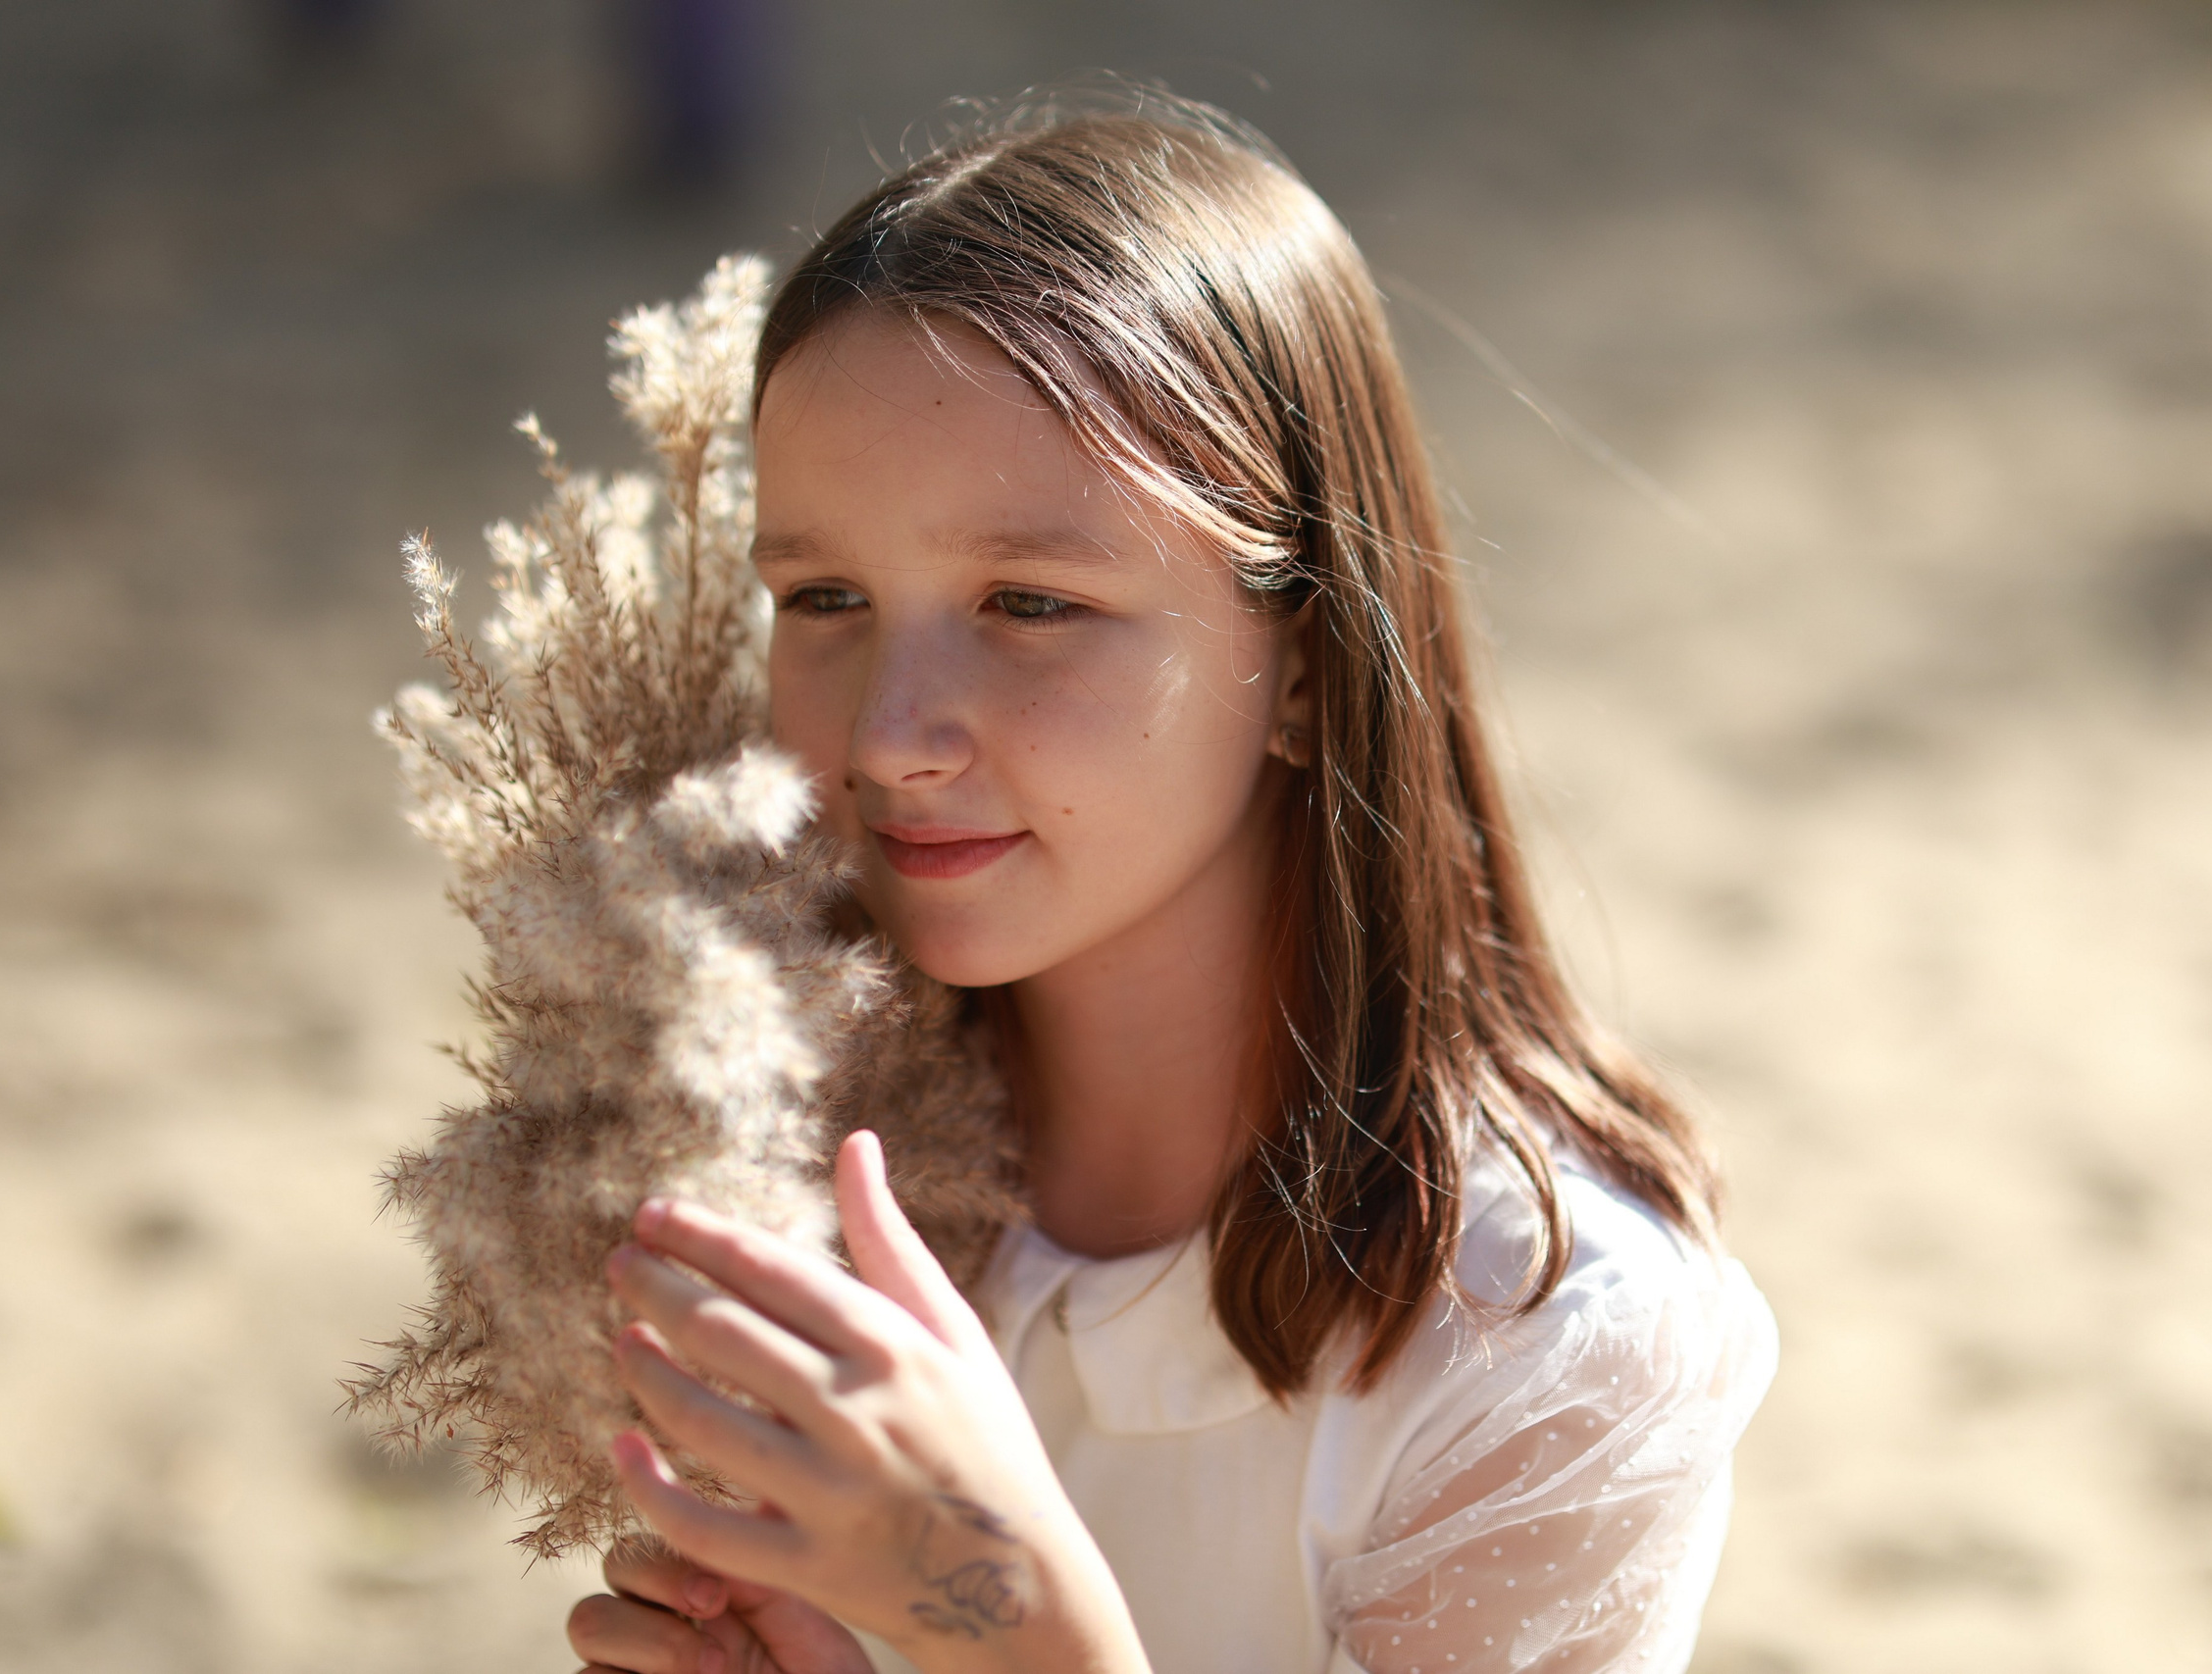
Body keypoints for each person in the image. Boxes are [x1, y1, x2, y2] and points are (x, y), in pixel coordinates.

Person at [562, 92, 1775, 1674]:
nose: (889, 735)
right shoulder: (779, 1180)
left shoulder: (1550, 1347)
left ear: (1306, 665)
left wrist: (999, 1613)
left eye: (1029, 602)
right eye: (826, 597)